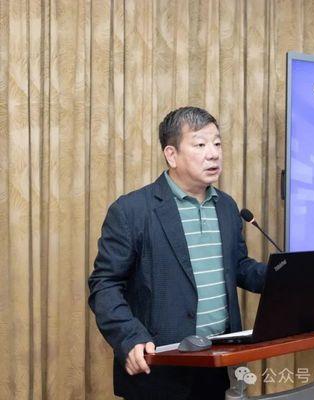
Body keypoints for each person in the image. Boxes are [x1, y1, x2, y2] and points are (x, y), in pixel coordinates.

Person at [88, 107, 267, 400]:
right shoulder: (132, 210)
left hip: (218, 361)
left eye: (217, 143)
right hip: (160, 366)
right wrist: (130, 337)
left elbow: (238, 267)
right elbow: (104, 284)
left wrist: (283, 276)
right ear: (171, 155)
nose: (213, 154)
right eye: (200, 144)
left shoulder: (226, 206)